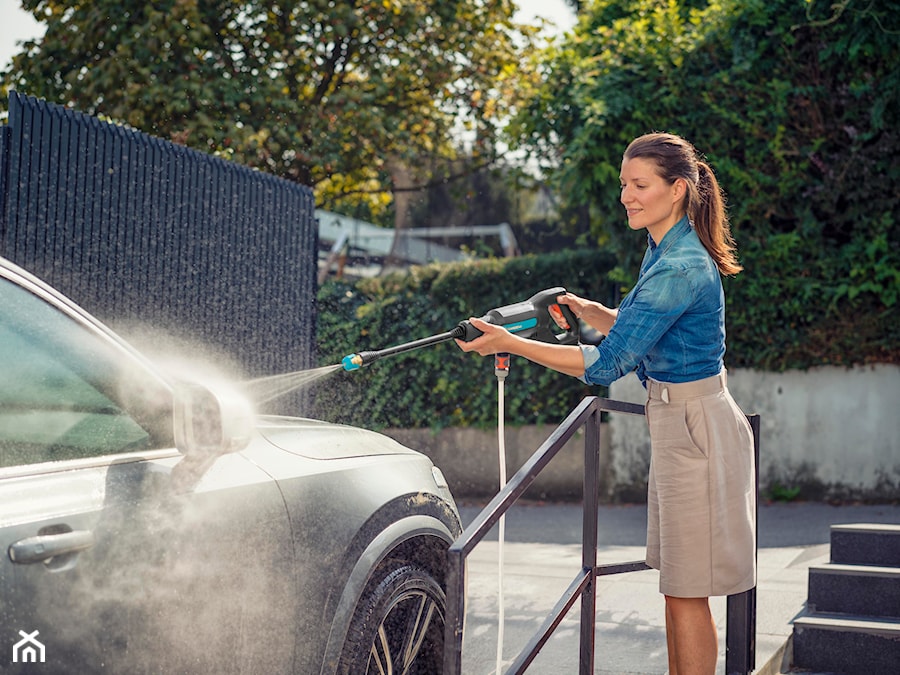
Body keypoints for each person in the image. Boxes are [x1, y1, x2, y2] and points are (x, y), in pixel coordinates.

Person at [456, 132, 756, 675]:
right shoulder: (663, 248)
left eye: (639, 185)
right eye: (624, 184)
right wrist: (591, 310)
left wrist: (510, 344)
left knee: (688, 591)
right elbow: (646, 335)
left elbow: (606, 365)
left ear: (678, 189)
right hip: (678, 423)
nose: (626, 196)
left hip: (696, 427)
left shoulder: (679, 265)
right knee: (676, 587)